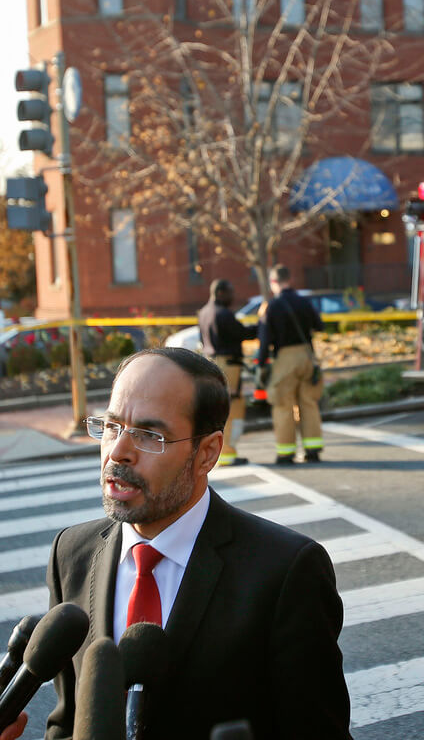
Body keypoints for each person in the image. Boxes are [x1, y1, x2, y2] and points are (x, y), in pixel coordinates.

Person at [45, 347, 351, 740]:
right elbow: (65, 724)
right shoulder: (70, 554)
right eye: (111, 426)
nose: (118, 452)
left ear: (207, 453)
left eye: (149, 435)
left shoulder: (286, 572)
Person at [256, 265, 325, 464]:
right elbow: (319, 326)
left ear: (274, 282)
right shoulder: (304, 301)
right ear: (290, 279)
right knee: (309, 403)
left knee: (283, 405)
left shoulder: (272, 307)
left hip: (284, 358)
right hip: (306, 355)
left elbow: (265, 339)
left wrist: (261, 365)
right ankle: (313, 450)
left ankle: (286, 453)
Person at [197, 278, 257, 467]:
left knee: (217, 409)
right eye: (230, 292)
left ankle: (219, 453)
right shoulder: (224, 314)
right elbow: (243, 334)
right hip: (228, 366)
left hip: (210, 364)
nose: (233, 296)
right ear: (221, 293)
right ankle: (228, 453)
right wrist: (262, 325)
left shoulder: (204, 313)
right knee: (232, 409)